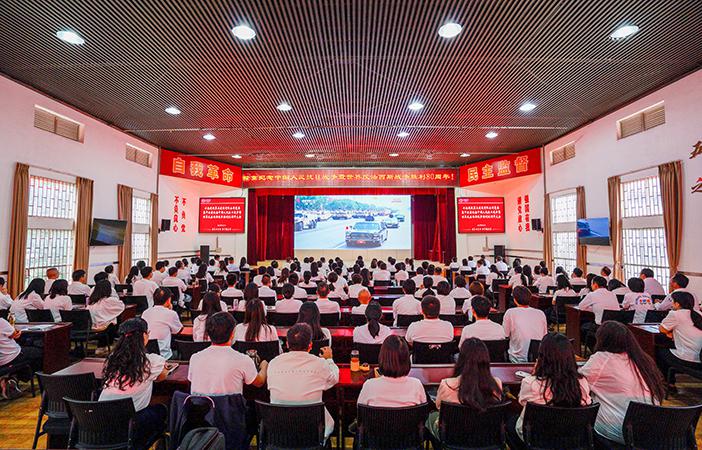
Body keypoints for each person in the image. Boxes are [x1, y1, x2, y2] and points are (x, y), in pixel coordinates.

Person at [579, 321, 665, 446]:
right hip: (650, 431)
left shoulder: (602, 359)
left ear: (602, 340)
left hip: (620, 431)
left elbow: (577, 381)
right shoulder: (643, 360)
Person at [506, 333, 592, 450]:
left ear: (542, 357)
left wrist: (534, 375)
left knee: (510, 421)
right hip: (571, 439)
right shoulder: (582, 383)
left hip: (536, 439)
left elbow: (522, 401)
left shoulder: (531, 383)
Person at [99, 318, 168, 450]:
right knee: (161, 409)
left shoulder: (111, 360)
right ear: (145, 335)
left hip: (102, 422)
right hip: (129, 426)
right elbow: (162, 376)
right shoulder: (151, 362)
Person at [267, 323, 339, 439]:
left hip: (280, 434)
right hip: (313, 434)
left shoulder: (274, 363)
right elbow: (335, 378)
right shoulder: (320, 364)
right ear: (310, 345)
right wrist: (329, 360)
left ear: (287, 344)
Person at [427, 338, 504, 440]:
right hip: (485, 436)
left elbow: (438, 407)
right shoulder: (496, 384)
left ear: (461, 359)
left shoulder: (447, 384)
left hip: (453, 437)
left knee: (431, 417)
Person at [189, 311, 267, 396]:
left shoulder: (195, 358)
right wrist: (264, 366)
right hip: (230, 405)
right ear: (233, 333)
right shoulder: (242, 360)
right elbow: (259, 382)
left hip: (199, 404)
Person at [357, 335, 426, 407]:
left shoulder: (369, 386)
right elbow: (424, 411)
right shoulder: (416, 385)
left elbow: (360, 410)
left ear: (382, 357)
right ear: (406, 359)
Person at [657, 291, 702, 390]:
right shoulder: (699, 314)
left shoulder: (675, 314)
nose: (671, 304)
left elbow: (662, 329)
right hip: (700, 358)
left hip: (687, 358)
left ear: (677, 304)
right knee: (671, 348)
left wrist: (671, 333)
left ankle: (669, 383)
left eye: (672, 301)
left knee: (659, 351)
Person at [503, 286, 548, 362]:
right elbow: (545, 336)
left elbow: (505, 335)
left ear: (514, 300)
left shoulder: (510, 312)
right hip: (538, 358)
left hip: (517, 358)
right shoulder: (540, 313)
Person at [141, 289, 183, 359]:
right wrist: (170, 310)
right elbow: (178, 330)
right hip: (164, 356)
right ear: (168, 300)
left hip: (147, 355)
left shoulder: (145, 313)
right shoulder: (171, 313)